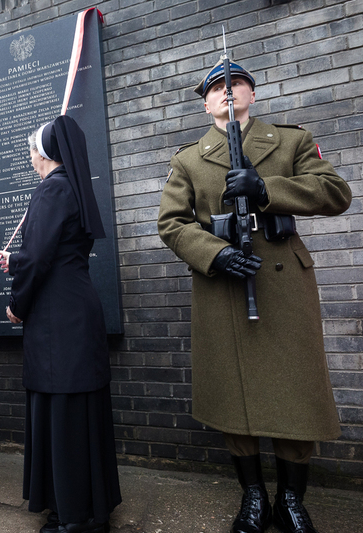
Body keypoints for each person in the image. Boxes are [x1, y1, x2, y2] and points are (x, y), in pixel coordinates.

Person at [157, 60, 352, 533]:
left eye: (237, 83)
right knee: (233, 393)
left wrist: (267, 188)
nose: (227, 91)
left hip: (282, 283)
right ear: (205, 102)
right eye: (216, 87)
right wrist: (214, 254)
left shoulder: (291, 140)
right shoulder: (188, 158)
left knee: (297, 393)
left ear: (252, 93)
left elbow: (335, 192)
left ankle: (290, 500)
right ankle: (252, 498)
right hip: (223, 285)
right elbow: (171, 223)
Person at [0, 116, 122, 533]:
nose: (30, 158)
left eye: (31, 149)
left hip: (56, 316)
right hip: (75, 307)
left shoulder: (52, 187)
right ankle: (87, 505)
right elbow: (56, 251)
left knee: (64, 410)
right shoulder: (72, 187)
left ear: (42, 153)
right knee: (78, 409)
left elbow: (39, 260)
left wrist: (17, 303)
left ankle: (74, 515)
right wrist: (17, 260)